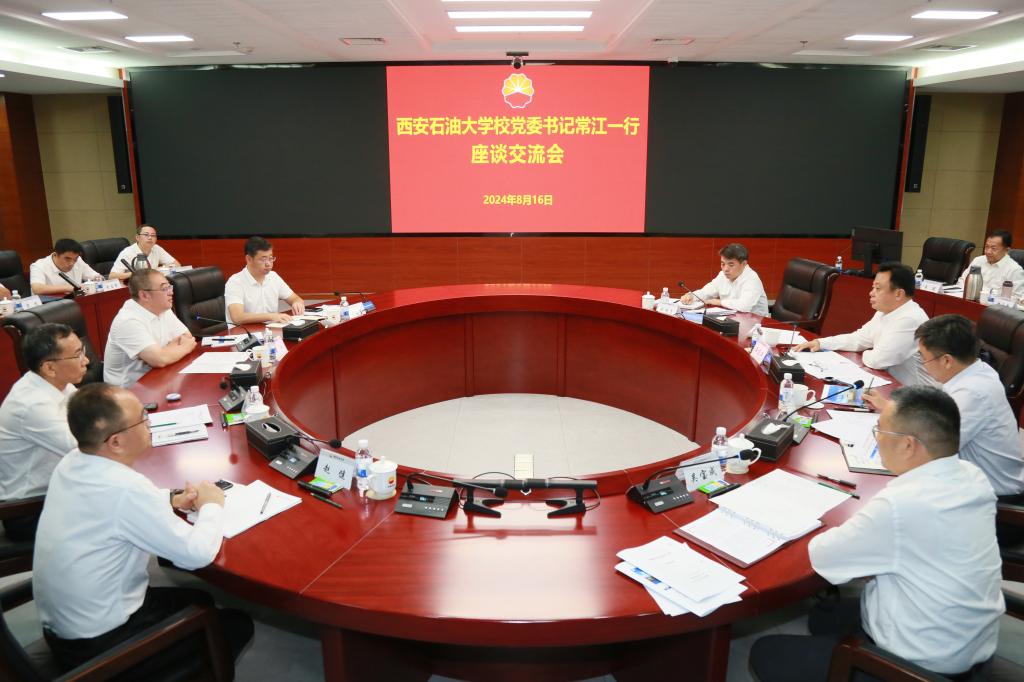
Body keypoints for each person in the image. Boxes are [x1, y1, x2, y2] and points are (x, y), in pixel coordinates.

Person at [749, 386, 1003, 681]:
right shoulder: (973, 476)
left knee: (765, 653)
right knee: (824, 617)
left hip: (918, 667)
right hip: (965, 641)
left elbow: (822, 556)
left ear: (908, 445)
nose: (876, 437)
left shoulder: (900, 505)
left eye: (880, 429)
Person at [33, 383, 253, 675]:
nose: (150, 423)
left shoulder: (73, 462)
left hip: (68, 628)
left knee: (200, 599)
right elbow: (196, 554)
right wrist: (212, 504)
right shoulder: (125, 488)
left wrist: (172, 499)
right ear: (115, 442)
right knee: (235, 625)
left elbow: (111, 506)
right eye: (142, 418)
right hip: (100, 643)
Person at [0, 324, 88, 541]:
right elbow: (86, 448)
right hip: (31, 510)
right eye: (77, 355)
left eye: (83, 351)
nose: (86, 360)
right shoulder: (31, 404)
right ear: (49, 367)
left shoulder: (60, 384)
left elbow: (91, 418)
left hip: (63, 489)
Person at [791, 262, 931, 386]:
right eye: (873, 287)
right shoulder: (885, 311)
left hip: (921, 397)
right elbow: (858, 339)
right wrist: (821, 343)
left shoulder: (910, 319)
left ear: (899, 294)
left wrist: (865, 353)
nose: (871, 293)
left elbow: (877, 361)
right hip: (894, 386)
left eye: (878, 289)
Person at [104, 268, 196, 387]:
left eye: (169, 287)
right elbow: (160, 360)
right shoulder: (127, 321)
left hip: (159, 378)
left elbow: (188, 338)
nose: (171, 292)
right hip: (129, 390)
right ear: (144, 295)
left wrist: (164, 353)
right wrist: (164, 354)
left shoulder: (162, 307)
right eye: (164, 289)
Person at [224, 236, 304, 324]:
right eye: (263, 259)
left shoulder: (273, 277)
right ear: (249, 259)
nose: (268, 264)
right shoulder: (235, 282)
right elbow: (237, 317)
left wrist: (297, 303)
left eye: (271, 258)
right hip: (244, 331)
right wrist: (271, 316)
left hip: (271, 329)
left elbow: (295, 298)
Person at [680, 242, 769, 316]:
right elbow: (707, 291)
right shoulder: (722, 275)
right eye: (723, 264)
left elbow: (744, 306)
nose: (725, 269)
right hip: (732, 319)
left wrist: (719, 302)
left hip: (757, 325)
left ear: (744, 264)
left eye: (731, 265)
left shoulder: (752, 279)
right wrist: (692, 296)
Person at [956, 230, 1024, 298]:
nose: (988, 251)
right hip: (968, 299)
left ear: (1007, 250)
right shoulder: (978, 260)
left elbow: (1016, 298)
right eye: (986, 247)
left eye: (993, 248)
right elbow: (962, 281)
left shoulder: (1015, 270)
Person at [29, 238, 101, 296]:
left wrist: (98, 279)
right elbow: (37, 288)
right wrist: (71, 288)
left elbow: (96, 277)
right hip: (49, 306)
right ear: (56, 255)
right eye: (67, 259)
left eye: (75, 259)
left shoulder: (78, 260)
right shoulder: (39, 266)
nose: (72, 263)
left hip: (75, 303)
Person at [110, 224, 180, 281]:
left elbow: (177, 265)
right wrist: (135, 274)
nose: (150, 238)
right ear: (137, 237)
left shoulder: (156, 248)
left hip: (153, 283)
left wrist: (160, 270)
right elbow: (112, 276)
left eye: (153, 235)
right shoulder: (127, 252)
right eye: (146, 235)